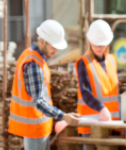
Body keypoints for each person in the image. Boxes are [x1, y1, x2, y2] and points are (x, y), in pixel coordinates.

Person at [8, 20, 80, 150]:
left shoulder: (31, 55)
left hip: (38, 126)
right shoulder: (34, 64)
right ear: (42, 42)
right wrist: (64, 116)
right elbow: (39, 102)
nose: (56, 51)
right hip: (35, 128)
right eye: (53, 47)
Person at [74, 19, 120, 149]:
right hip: (91, 124)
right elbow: (85, 92)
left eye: (103, 44)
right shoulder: (83, 62)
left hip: (111, 123)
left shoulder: (112, 60)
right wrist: (101, 108)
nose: (99, 47)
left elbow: (114, 93)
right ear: (90, 42)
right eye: (96, 44)